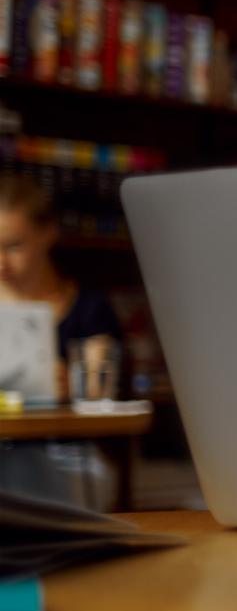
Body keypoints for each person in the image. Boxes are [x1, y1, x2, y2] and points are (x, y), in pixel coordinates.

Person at [0, 175, 124, 508]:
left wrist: (69, 386)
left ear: (48, 233)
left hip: (69, 456)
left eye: (13, 246)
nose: (1, 264)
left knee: (19, 471)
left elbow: (98, 393)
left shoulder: (89, 308)